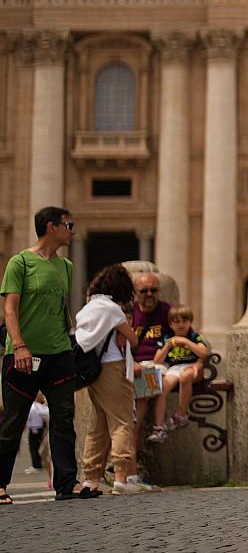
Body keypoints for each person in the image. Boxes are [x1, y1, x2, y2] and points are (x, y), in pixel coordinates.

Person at [0, 207, 91, 503]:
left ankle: (66, 483)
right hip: (23, 355)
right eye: (69, 225)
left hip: (59, 353)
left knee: (64, 418)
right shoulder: (20, 262)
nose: (72, 231)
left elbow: (61, 308)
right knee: (13, 422)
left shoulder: (66, 266)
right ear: (52, 227)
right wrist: (19, 345)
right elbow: (10, 309)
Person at [74, 264, 157, 495]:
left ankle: (91, 477)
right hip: (112, 368)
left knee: (98, 424)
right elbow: (133, 340)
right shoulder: (112, 309)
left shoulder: (88, 308)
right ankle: (121, 476)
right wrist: (124, 331)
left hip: (93, 371)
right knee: (122, 422)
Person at [147, 305, 209, 444]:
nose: (181, 325)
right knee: (161, 388)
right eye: (177, 322)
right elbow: (157, 361)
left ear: (190, 322)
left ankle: (181, 415)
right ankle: (158, 428)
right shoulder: (166, 338)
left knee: (184, 377)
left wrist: (185, 341)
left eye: (185, 321)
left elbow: (204, 354)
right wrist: (168, 346)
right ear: (170, 324)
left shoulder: (194, 337)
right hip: (174, 368)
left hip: (192, 367)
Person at [130, 271, 173, 436]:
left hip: (156, 365)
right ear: (135, 293)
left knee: (142, 395)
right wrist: (131, 363)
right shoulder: (129, 313)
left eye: (153, 290)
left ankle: (133, 441)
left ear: (159, 291)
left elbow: (185, 334)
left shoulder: (167, 311)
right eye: (144, 291)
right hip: (132, 365)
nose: (149, 294)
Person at [25, 395, 47, 474]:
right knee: (37, 446)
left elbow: (28, 417)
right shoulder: (39, 406)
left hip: (33, 428)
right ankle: (38, 464)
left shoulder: (31, 407)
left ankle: (36, 465)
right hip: (39, 428)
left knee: (33, 447)